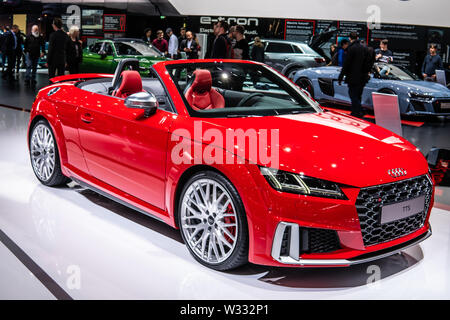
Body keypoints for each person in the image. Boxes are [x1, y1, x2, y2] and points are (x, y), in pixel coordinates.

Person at [338, 32, 373, 118]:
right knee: (358, 95)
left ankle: (359, 111)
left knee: (352, 94)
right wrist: (366, 72)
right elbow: (369, 63)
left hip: (353, 77)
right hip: (363, 77)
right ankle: (355, 112)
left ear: (350, 38)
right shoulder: (365, 48)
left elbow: (346, 64)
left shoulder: (351, 49)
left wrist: (341, 76)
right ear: (357, 38)